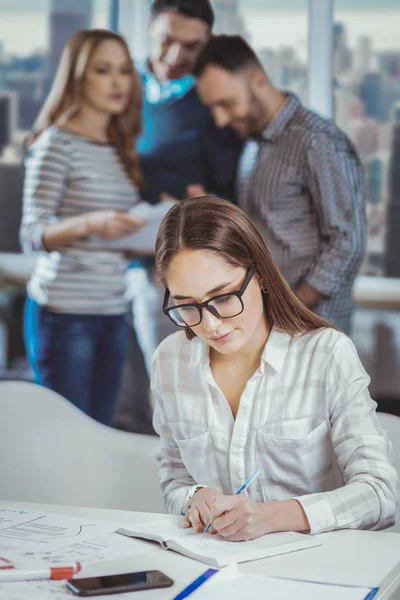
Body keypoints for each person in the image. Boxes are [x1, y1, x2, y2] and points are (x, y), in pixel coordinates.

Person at [151, 196, 397, 540]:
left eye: (222, 298)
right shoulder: (168, 361)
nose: (209, 325)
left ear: (262, 275)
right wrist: (195, 497)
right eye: (186, 305)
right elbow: (175, 478)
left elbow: (381, 493)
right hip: (219, 570)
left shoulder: (325, 354)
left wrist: (272, 517)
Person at [114, 0, 242, 433]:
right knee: (120, 403)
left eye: (191, 47)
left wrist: (198, 205)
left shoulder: (209, 103)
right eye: (166, 40)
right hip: (100, 271)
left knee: (170, 402)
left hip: (167, 280)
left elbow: (233, 196)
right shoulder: (118, 83)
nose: (174, 57)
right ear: (149, 26)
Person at [192, 35, 366, 334]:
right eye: (213, 108)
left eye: (227, 103)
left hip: (313, 329)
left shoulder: (316, 140)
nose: (220, 120)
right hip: (270, 326)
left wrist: (290, 309)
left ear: (258, 80)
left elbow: (347, 242)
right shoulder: (252, 145)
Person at [20, 29, 145, 425]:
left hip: (111, 309)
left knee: (100, 435)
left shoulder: (119, 146)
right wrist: (91, 224)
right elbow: (32, 233)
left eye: (124, 71)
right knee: (66, 437)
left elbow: (116, 236)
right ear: (78, 77)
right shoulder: (57, 144)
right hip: (65, 314)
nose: (116, 82)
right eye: (102, 70)